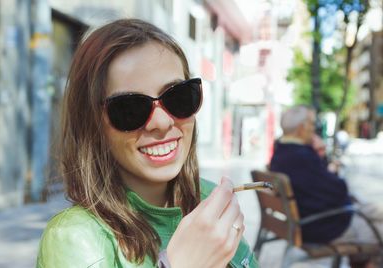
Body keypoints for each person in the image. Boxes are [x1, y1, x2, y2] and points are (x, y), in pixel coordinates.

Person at [36, 19, 258, 268]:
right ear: (91, 125)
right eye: (130, 108)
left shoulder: (208, 199)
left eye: (178, 97)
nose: (162, 122)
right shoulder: (73, 239)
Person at [270, 105, 383, 266]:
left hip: (312, 221)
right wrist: (331, 168)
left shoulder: (282, 152)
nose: (314, 129)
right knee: (378, 230)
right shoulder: (302, 157)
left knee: (377, 211)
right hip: (324, 227)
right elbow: (339, 190)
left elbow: (319, 188)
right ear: (302, 127)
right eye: (312, 124)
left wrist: (320, 156)